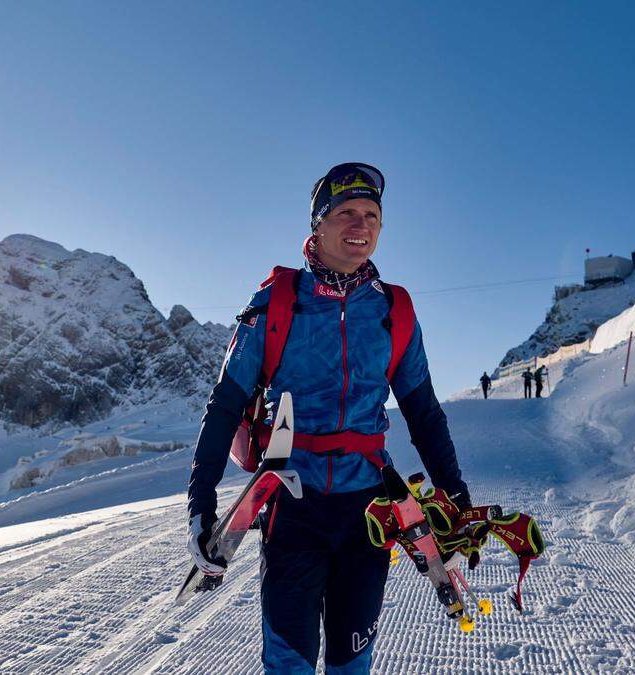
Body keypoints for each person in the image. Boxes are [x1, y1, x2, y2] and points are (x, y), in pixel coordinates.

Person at [186, 162, 469, 674]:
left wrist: (456, 501)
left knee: (351, 661)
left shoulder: (395, 310)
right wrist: (200, 504)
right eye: (345, 213)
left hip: (368, 512)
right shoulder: (276, 301)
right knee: (289, 661)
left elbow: (423, 413)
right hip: (294, 504)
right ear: (318, 225)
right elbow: (226, 403)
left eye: (371, 215)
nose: (360, 225)